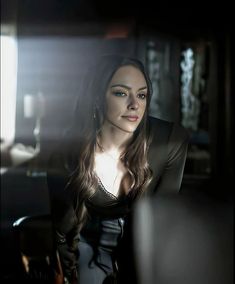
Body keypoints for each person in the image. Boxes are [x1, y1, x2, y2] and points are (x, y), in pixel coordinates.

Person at [46, 54, 189, 284]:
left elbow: (162, 226)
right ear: (97, 97)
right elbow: (64, 238)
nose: (135, 105)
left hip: (144, 254)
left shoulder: (170, 141)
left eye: (141, 95)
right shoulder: (64, 154)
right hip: (88, 251)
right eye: (121, 93)